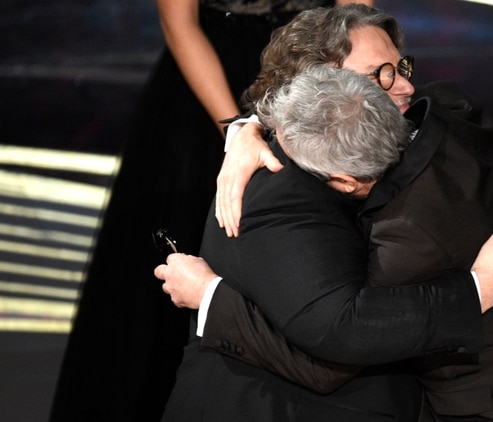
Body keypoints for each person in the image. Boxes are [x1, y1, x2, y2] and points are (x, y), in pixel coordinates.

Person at [157, 4, 493, 421]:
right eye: (379, 74)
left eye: (399, 67)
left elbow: (331, 355)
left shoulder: (404, 226)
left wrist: (210, 298)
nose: (405, 84)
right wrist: (246, 127)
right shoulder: (455, 112)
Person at [50, 1, 373, 420]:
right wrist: (240, 129)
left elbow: (358, 16)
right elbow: (179, 24)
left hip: (314, 72)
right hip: (212, 89)